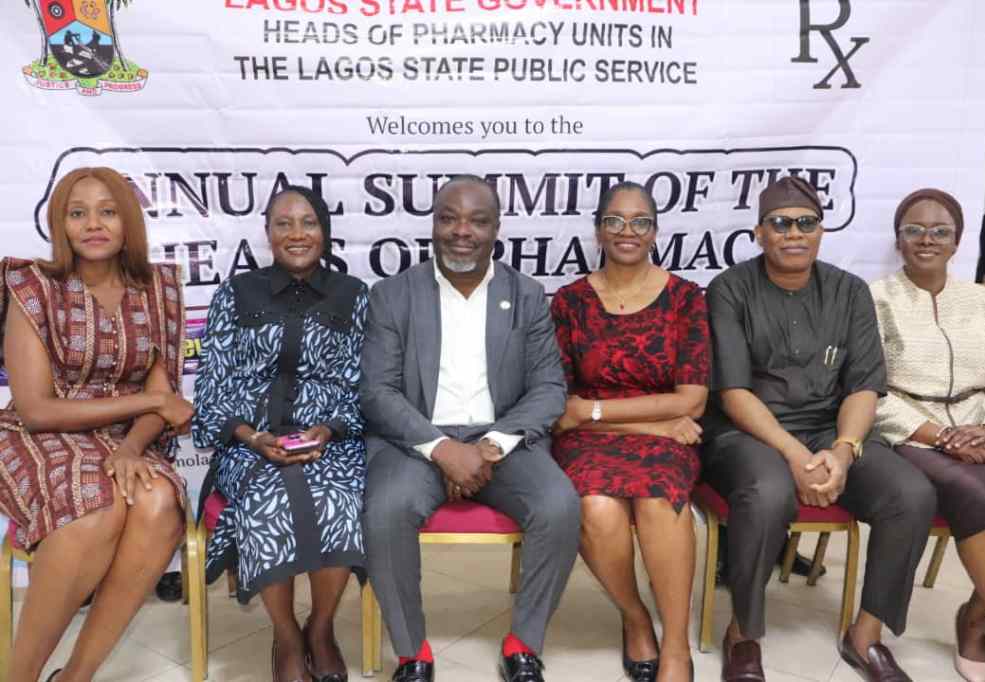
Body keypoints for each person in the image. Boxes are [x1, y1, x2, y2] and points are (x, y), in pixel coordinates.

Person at [703, 176, 936, 682]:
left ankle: (866, 635)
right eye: (780, 223)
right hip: (747, 433)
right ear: (759, 233)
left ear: (821, 231)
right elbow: (734, 393)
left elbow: (863, 387)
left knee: (911, 494)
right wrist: (794, 456)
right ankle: (743, 633)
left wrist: (844, 450)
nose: (794, 234)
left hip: (830, 430)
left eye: (805, 223)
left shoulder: (849, 292)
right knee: (767, 492)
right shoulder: (730, 289)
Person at [360, 175, 581, 682]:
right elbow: (378, 392)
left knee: (559, 506)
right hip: (416, 439)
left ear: (496, 229)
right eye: (449, 218)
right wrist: (442, 448)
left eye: (478, 221)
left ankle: (524, 643)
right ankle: (413, 653)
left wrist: (490, 445)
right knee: (386, 510)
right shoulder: (392, 295)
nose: (462, 231)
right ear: (433, 224)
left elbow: (549, 388)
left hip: (501, 438)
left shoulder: (526, 295)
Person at [0, 166, 193, 682]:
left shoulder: (158, 287)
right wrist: (151, 401)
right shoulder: (32, 287)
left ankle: (75, 676)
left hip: (127, 438)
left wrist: (131, 449)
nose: (93, 224)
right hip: (40, 435)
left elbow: (160, 402)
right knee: (94, 508)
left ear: (129, 221)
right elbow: (37, 409)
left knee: (157, 501)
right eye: (77, 213)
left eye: (108, 212)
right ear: (60, 225)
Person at [192, 185, 367, 682]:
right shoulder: (235, 294)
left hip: (330, 443)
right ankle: (287, 637)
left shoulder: (353, 295)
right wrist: (251, 437)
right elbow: (212, 383)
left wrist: (327, 430)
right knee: (267, 503)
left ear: (325, 232)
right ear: (266, 233)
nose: (297, 233)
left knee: (339, 502)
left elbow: (366, 383)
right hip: (250, 445)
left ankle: (321, 629)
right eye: (283, 223)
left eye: (308, 223)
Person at [549, 181, 708, 682]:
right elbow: (563, 409)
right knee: (595, 505)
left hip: (666, 440)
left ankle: (676, 646)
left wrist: (593, 411)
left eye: (640, 221)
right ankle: (635, 616)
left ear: (655, 232)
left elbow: (692, 401)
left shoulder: (685, 298)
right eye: (614, 221)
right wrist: (650, 423)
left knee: (659, 498)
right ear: (598, 231)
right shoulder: (570, 302)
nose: (627, 231)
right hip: (596, 440)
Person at [872, 188, 985, 682]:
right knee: (984, 503)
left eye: (941, 231)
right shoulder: (872, 300)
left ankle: (976, 617)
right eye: (914, 230)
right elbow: (869, 392)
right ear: (898, 240)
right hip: (914, 435)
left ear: (957, 241)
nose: (927, 239)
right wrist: (940, 436)